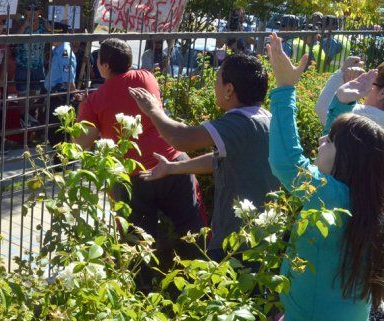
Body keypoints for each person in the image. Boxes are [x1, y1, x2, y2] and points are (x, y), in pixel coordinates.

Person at [265, 33, 384, 321]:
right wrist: (340, 104)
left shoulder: (331, 198)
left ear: (346, 158)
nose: (321, 138)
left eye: (330, 139)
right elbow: (337, 151)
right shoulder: (365, 198)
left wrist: (285, 89)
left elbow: (287, 162)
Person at [129, 53, 277, 261]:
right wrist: (172, 167)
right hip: (262, 235)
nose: (214, 86)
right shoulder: (266, 118)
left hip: (235, 241)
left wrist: (154, 110)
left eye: (217, 79)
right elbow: (221, 160)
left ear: (229, 90)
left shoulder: (238, 123)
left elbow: (181, 138)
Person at [74, 38, 206, 246]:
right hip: (173, 163)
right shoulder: (147, 77)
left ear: (105, 66)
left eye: (97, 60)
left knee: (138, 244)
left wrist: (82, 111)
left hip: (133, 176)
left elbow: (81, 143)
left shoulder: (94, 101)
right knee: (195, 232)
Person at [315, 57, 384, 193]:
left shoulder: (372, 117)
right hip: (383, 204)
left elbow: (323, 108)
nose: (366, 90)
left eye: (371, 85)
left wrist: (341, 73)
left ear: (382, 93)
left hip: (362, 204)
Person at [43, 37, 76, 144]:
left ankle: (59, 152)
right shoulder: (57, 50)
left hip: (60, 96)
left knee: (58, 133)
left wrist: (72, 93)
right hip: (55, 94)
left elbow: (68, 77)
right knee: (53, 131)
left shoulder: (64, 52)